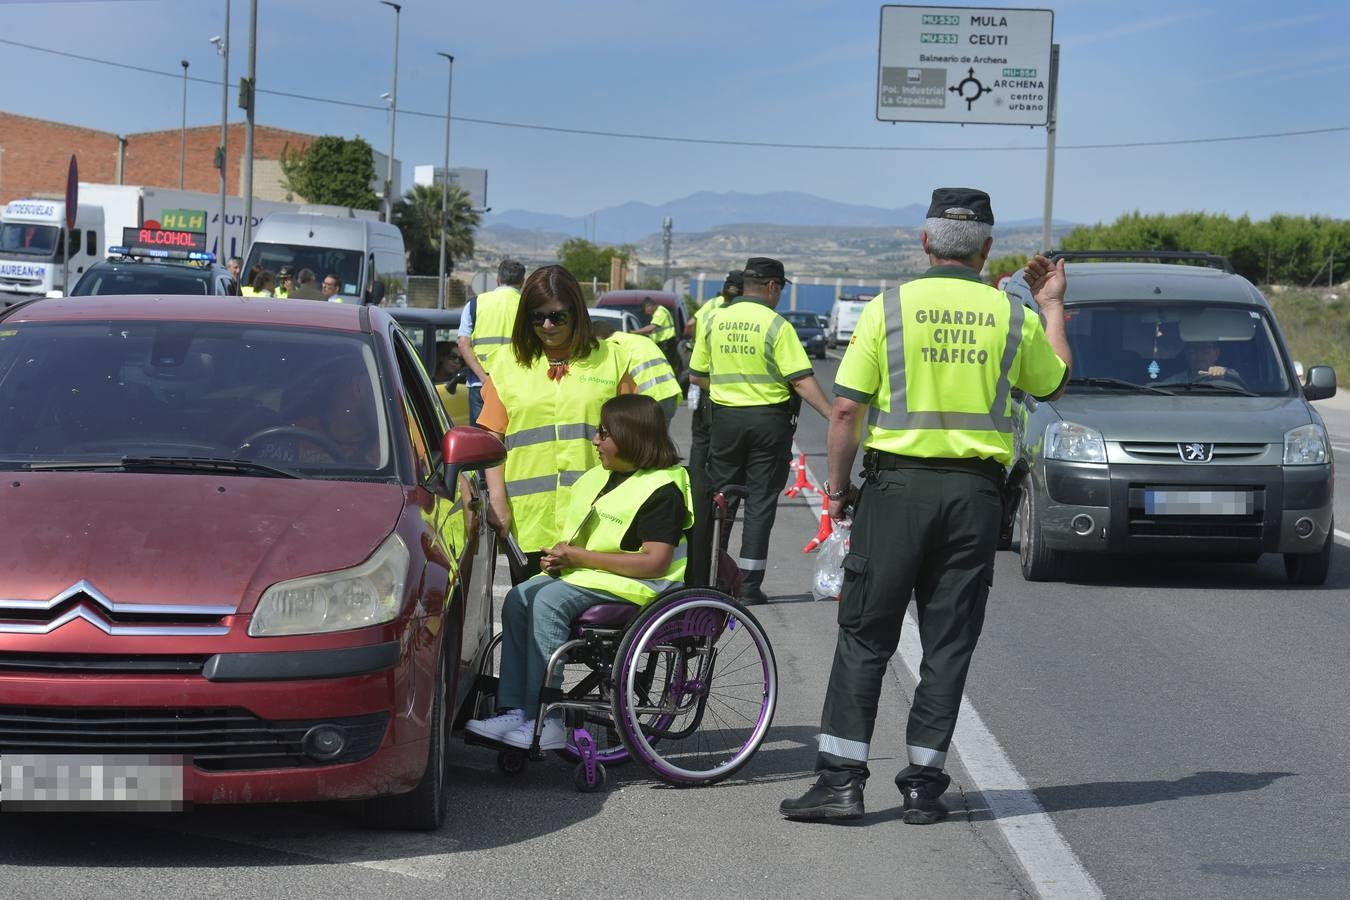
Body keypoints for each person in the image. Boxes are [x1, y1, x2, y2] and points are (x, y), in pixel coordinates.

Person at [779, 188, 1072, 824]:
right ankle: (922, 786)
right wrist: (1050, 305)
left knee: (865, 633)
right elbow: (1054, 382)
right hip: (974, 497)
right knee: (949, 638)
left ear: (924, 242)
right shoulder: (1008, 314)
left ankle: (841, 783)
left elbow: (848, 410)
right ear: (988, 247)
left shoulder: (888, 310)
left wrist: (838, 490)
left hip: (896, 490)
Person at [465, 394, 692, 750]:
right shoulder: (601, 477)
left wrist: (579, 558)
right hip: (594, 575)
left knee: (548, 602)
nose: (595, 441)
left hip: (641, 584)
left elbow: (655, 562)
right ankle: (516, 710)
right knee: (519, 597)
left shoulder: (662, 488)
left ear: (631, 436)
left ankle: (549, 719)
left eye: (604, 433)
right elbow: (585, 540)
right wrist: (559, 557)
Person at [477, 265, 636, 582]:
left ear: (576, 314)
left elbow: (635, 437)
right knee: (532, 612)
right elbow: (491, 438)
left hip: (597, 519)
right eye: (538, 317)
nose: (547, 326)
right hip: (529, 522)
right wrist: (497, 500)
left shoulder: (612, 360)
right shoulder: (508, 363)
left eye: (557, 317)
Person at [689, 257, 832, 604]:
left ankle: (713, 578)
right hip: (769, 423)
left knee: (721, 499)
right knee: (760, 503)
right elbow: (800, 380)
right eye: (780, 289)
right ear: (771, 286)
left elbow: (696, 375)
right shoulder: (776, 325)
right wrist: (832, 414)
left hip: (725, 420)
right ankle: (749, 587)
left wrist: (726, 390)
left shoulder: (716, 321)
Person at [686, 270, 742, 585]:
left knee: (700, 443)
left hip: (706, 383)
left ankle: (697, 489)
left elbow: (692, 327)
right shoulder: (744, 314)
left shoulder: (710, 309)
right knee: (720, 456)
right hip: (731, 398)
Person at [459, 258, 526, 426]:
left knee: (482, 445)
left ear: (498, 279)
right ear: (522, 282)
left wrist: (484, 379)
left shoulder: (475, 304)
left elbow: (463, 344)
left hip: (480, 384)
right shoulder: (527, 306)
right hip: (517, 384)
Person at [591, 317, 682, 426]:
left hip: (648, 401)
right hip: (670, 396)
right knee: (659, 440)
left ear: (599, 338)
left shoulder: (612, 345)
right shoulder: (641, 339)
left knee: (643, 441)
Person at [637, 295, 680, 374]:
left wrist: (633, 332)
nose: (645, 313)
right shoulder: (658, 312)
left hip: (667, 345)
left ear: (649, 306)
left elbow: (651, 328)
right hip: (664, 345)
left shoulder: (660, 312)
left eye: (644, 310)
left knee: (665, 370)